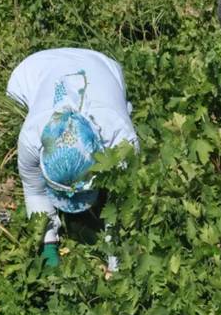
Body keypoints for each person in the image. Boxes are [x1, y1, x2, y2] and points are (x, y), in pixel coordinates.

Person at [7, 48, 139, 267]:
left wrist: (116, 264)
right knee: (15, 103)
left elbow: (121, 205)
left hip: (103, 66)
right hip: (35, 68)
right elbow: (34, 190)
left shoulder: (122, 140)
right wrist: (47, 245)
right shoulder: (31, 137)